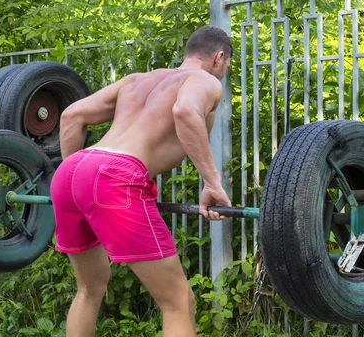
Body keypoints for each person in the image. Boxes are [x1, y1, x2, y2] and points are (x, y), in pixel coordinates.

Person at [50, 25, 233, 337]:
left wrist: (84, 188)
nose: (223, 73)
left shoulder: (137, 81)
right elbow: (185, 111)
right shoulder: (203, 80)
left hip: (71, 172)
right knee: (177, 300)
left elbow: (70, 116)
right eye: (226, 66)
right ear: (218, 58)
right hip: (116, 177)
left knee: (89, 290)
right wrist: (213, 183)